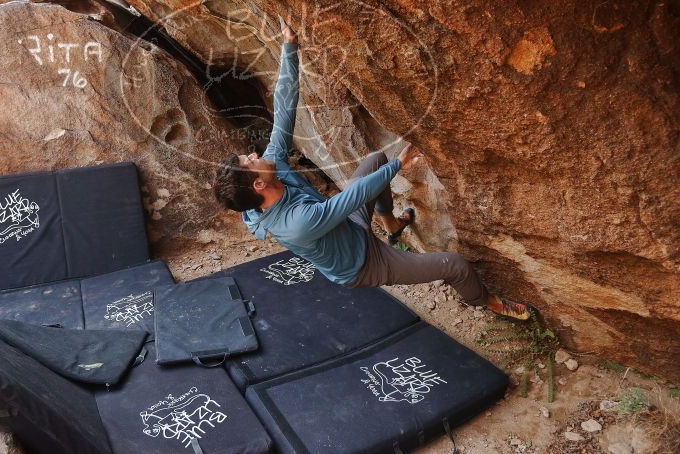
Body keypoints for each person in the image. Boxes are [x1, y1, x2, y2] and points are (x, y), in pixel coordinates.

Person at [213, 17, 534, 321]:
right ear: (257, 185)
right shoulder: (295, 224)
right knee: (455, 265)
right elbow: (350, 200)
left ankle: (391, 224)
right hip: (363, 263)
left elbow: (284, 109)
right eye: (249, 162)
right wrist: (400, 164)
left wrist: (289, 46)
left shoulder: (274, 166)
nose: (255, 154)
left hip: (346, 225)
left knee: (374, 161)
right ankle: (488, 302)